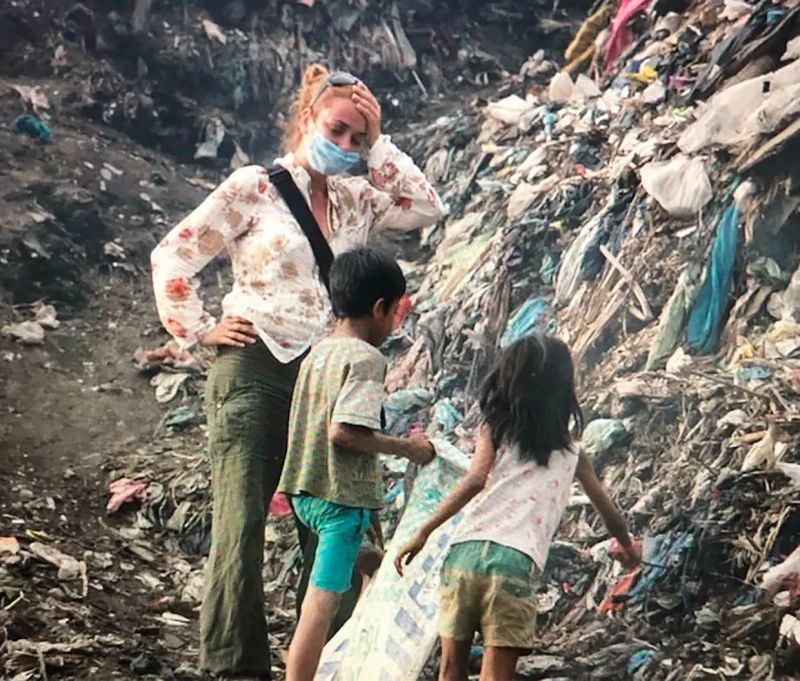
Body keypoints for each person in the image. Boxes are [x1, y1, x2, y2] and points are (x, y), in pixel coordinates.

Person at [150, 64, 444, 679]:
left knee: (335, 512)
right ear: (307, 117)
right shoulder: (253, 187)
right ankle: (237, 664)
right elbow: (175, 252)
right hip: (255, 364)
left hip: (328, 376)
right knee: (242, 516)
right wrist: (198, 328)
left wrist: (381, 140)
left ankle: (333, 656)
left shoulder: (357, 198)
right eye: (336, 130)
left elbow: (425, 208)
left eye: (356, 140)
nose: (344, 147)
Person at [394, 334, 641, 681]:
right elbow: (608, 511)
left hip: (463, 554)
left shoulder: (493, 429)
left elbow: (474, 480)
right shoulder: (572, 453)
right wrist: (628, 547)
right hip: (515, 562)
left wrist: (423, 531)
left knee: (450, 669)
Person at [278, 248, 436, 681]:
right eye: (395, 313)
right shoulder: (367, 359)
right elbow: (344, 431)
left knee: (373, 565)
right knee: (319, 608)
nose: (393, 325)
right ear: (380, 308)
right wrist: (409, 448)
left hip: (304, 491)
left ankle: (361, 655)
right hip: (339, 502)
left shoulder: (319, 353)